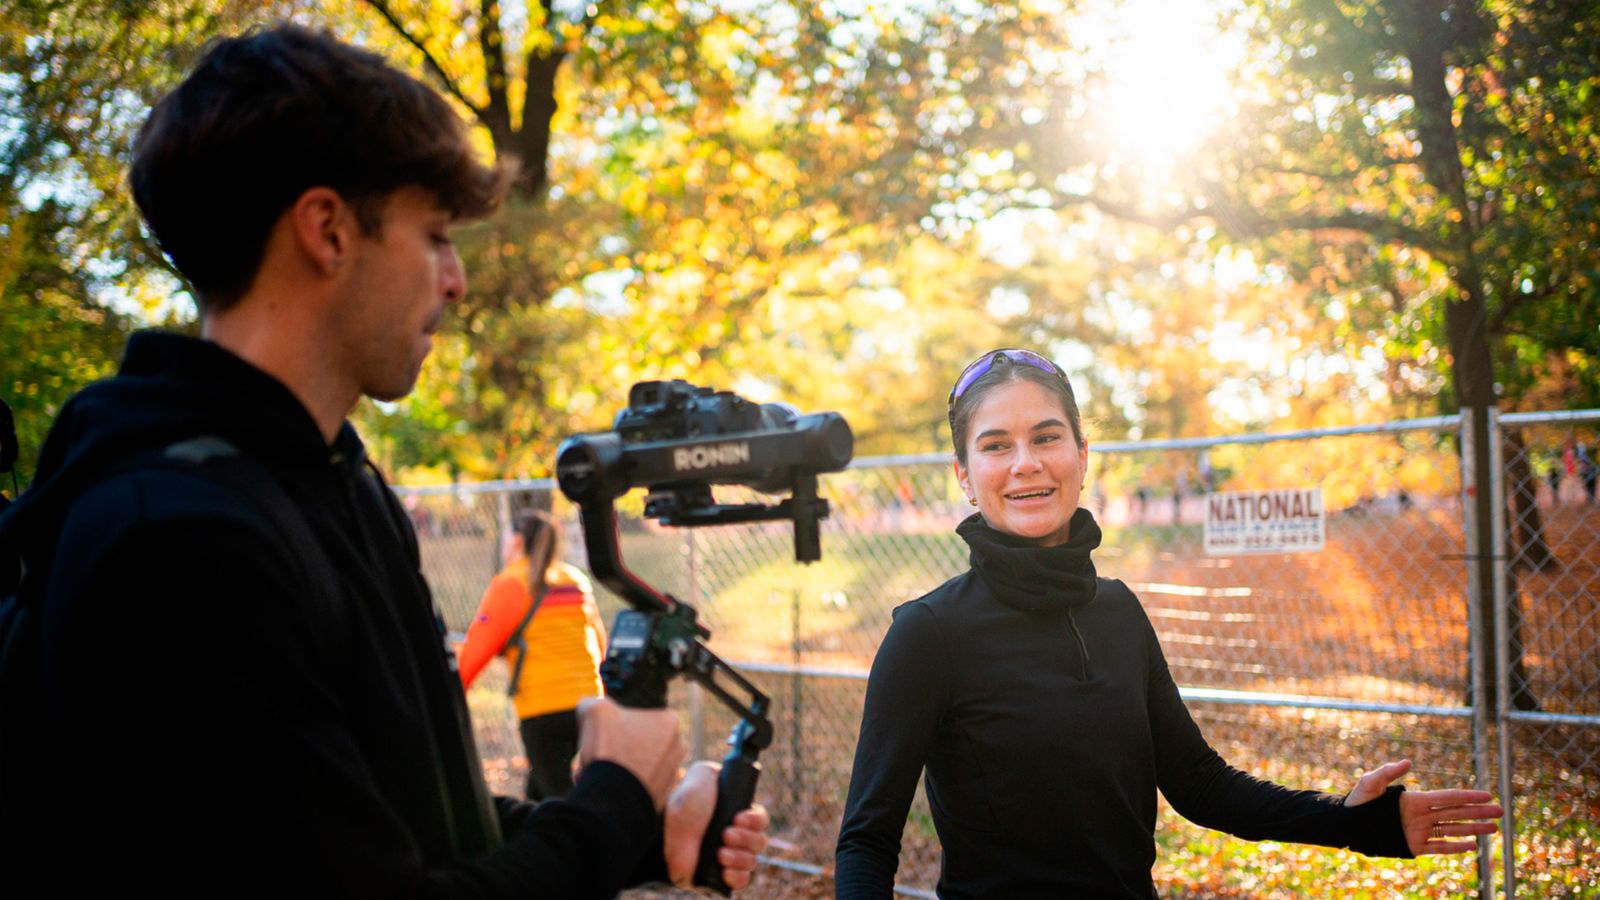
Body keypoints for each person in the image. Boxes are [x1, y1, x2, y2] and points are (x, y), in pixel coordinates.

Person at [1, 25, 766, 894]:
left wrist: (641, 832)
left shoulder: (339, 488)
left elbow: (408, 820)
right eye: (435, 234)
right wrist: (616, 799)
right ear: (327, 230)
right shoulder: (175, 542)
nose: (456, 279)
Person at [834, 348, 1501, 899]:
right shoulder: (928, 635)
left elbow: (1198, 784)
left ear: (1082, 454)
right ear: (964, 474)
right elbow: (867, 841)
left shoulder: (1117, 609)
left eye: (1046, 437)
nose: (1025, 464)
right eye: (996, 446)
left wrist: (1352, 822)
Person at [458, 510, 606, 801]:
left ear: (516, 540)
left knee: (558, 799)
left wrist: (448, 693)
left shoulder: (511, 583)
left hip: (543, 710)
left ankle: (590, 844)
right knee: (539, 792)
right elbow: (599, 641)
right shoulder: (574, 579)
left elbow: (476, 650)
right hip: (589, 704)